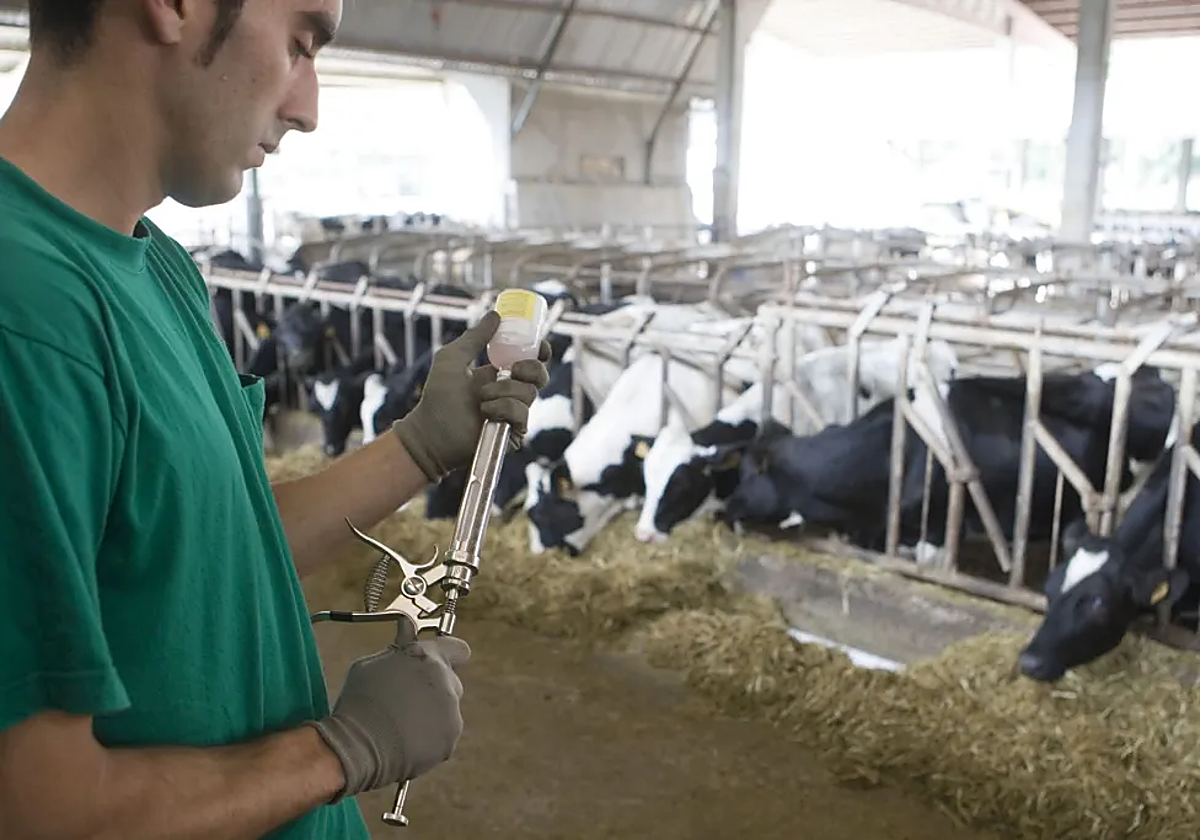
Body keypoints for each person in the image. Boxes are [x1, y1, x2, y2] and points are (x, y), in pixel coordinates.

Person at [0, 0, 551, 837]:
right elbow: (42, 812)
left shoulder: (155, 266)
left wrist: (419, 446)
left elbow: (214, 552)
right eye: (299, 43)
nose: (308, 109)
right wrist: (341, 750)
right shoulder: (24, 311)